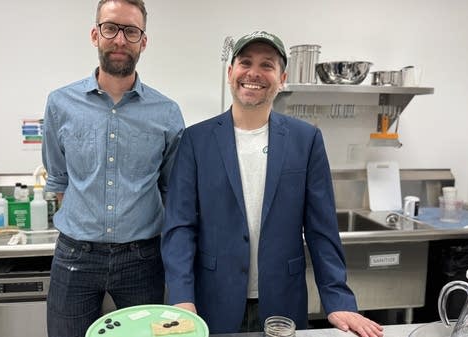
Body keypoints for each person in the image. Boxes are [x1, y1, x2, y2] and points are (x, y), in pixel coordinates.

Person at [161, 31, 383, 337]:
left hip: (282, 302)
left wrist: (338, 298)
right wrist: (182, 298)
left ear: (281, 79)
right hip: (212, 300)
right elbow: (180, 226)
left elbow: (322, 229)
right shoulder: (196, 141)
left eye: (267, 65)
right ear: (230, 72)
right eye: (245, 62)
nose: (254, 73)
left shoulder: (306, 140)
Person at [41, 0, 184, 336]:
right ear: (95, 34)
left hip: (142, 259)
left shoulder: (166, 113)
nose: (120, 39)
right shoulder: (60, 104)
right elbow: (59, 178)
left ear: (143, 41)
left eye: (131, 31)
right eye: (111, 28)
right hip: (75, 255)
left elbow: (170, 187)